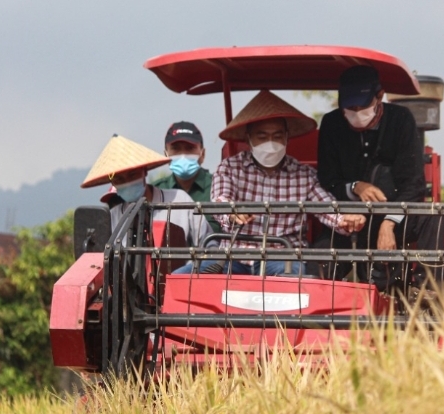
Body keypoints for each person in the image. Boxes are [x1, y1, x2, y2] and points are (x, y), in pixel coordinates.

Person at [176, 90, 365, 277]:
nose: (271, 143)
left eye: (277, 136)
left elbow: (326, 207)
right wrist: (232, 213)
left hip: (282, 257)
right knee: (181, 278)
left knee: (295, 282)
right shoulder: (230, 168)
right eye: (262, 137)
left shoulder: (304, 175)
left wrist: (345, 220)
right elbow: (221, 200)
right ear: (249, 139)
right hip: (233, 255)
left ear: (286, 137)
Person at [316, 65, 444, 289]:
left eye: (363, 106)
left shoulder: (401, 120)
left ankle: (428, 291)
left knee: (433, 217)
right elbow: (327, 179)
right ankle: (318, 297)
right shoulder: (332, 123)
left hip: (396, 212)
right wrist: (355, 187)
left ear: (379, 96)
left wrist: (389, 222)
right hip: (348, 218)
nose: (356, 112)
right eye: (350, 108)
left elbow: (413, 183)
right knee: (318, 261)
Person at [81, 135, 213, 255]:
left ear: (144, 171)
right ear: (112, 183)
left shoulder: (179, 200)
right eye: (119, 179)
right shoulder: (112, 218)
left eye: (132, 174)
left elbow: (210, 244)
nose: (128, 182)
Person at [150, 121, 219, 232]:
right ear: (165, 155)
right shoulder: (156, 191)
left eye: (190, 148)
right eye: (176, 149)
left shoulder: (218, 189)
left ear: (203, 154)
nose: (183, 155)